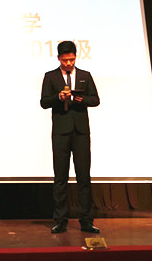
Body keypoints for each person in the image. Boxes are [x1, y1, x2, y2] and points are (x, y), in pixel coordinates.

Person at [40, 40, 100, 234]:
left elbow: (95, 100)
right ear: (58, 58)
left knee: (84, 177)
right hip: (61, 132)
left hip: (81, 132)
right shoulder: (50, 76)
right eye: (65, 60)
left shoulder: (85, 75)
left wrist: (82, 99)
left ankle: (86, 221)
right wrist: (59, 97)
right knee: (60, 177)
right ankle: (60, 220)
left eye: (72, 59)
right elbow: (43, 102)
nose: (69, 63)